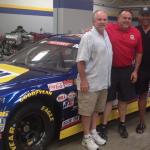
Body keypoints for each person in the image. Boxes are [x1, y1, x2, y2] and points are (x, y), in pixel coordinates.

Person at [99, 9, 143, 140]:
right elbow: (96, 30)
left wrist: (135, 71)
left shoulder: (136, 33)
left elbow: (139, 52)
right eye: (124, 17)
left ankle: (122, 124)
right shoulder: (109, 28)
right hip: (110, 70)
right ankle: (103, 126)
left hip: (127, 70)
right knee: (108, 99)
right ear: (118, 18)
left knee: (123, 99)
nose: (127, 20)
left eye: (129, 18)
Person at [76, 10, 112, 150]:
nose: (102, 21)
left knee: (96, 110)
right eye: (99, 19)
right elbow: (80, 61)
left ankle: (93, 132)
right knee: (86, 112)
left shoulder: (106, 34)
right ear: (93, 21)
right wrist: (84, 80)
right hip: (89, 83)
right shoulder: (88, 37)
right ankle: (86, 138)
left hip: (102, 83)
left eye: (104, 19)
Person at [135, 7, 150, 134]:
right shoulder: (135, 30)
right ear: (139, 17)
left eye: (148, 15)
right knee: (143, 95)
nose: (145, 17)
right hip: (142, 69)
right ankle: (142, 122)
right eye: (143, 15)